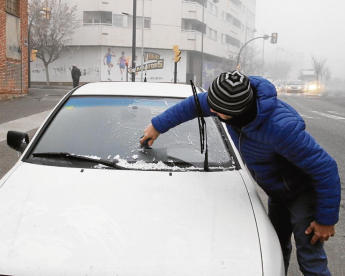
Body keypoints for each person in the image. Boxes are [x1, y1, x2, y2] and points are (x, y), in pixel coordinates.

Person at [140, 70, 340, 276]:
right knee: (275, 249)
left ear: (237, 110)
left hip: (303, 193)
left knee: (310, 257)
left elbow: (326, 168)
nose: (211, 111)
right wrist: (157, 126)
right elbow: (193, 106)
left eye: (218, 111)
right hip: (278, 191)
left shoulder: (281, 129)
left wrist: (326, 219)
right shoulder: (226, 100)